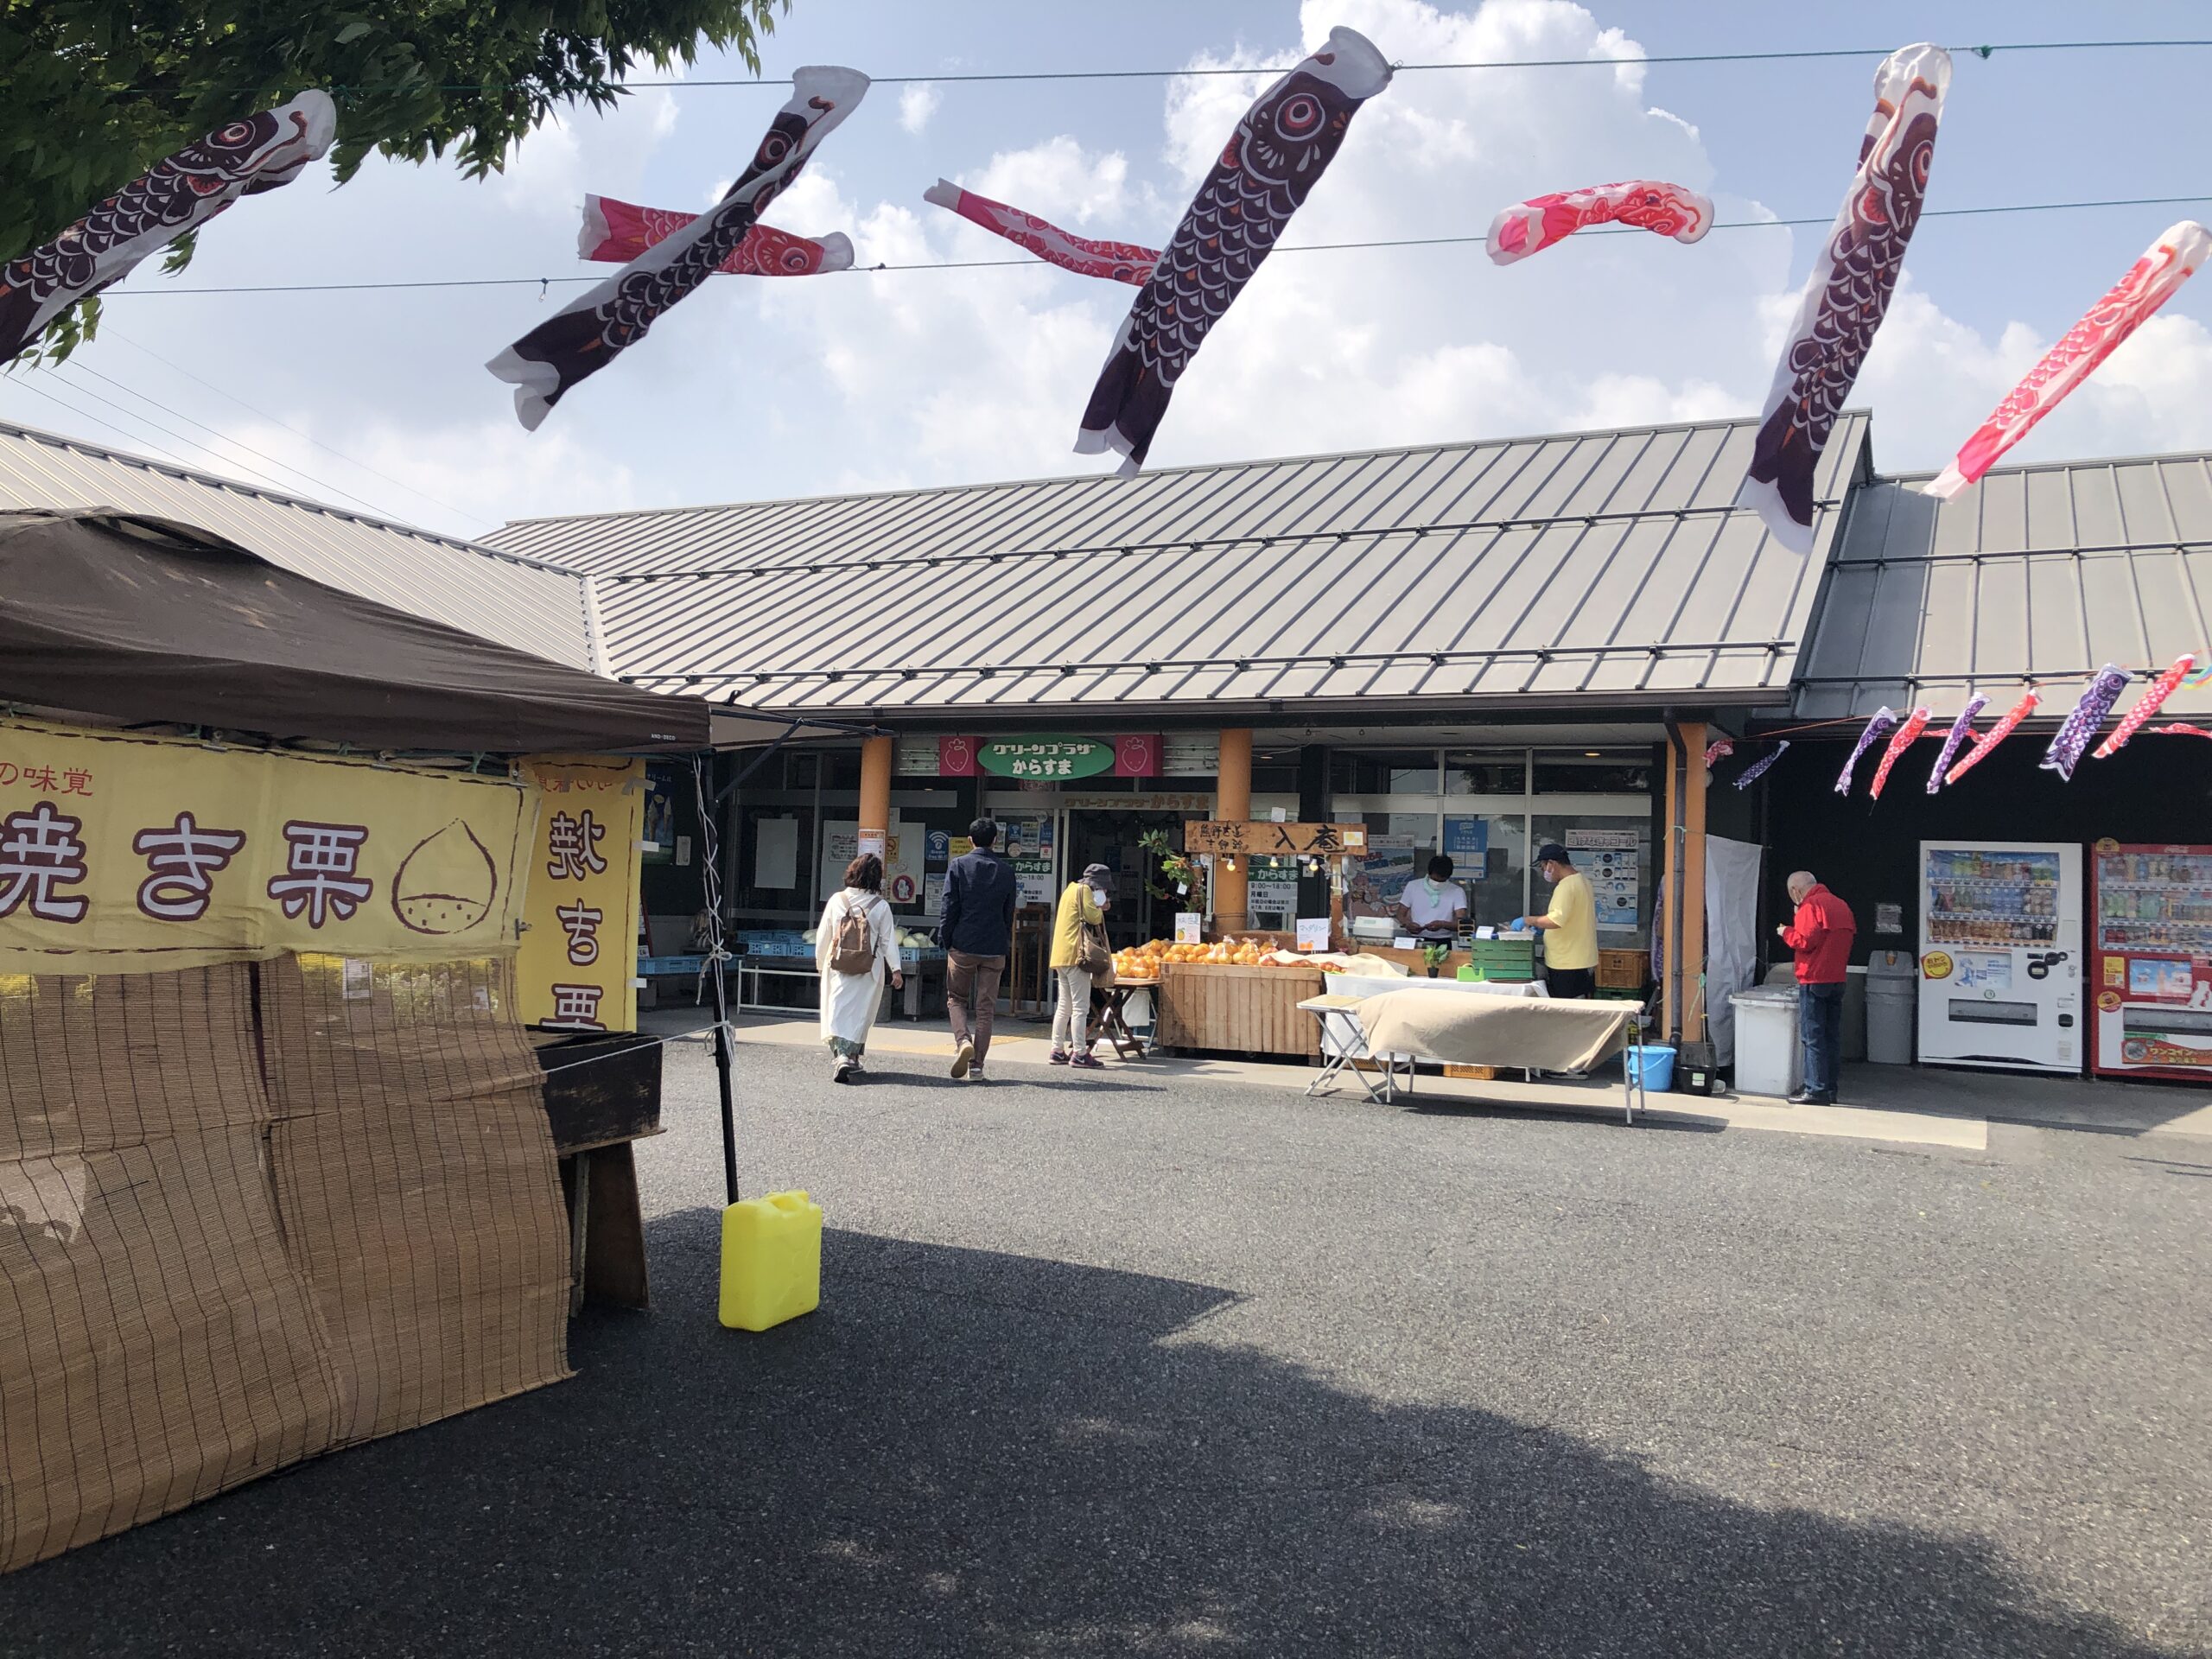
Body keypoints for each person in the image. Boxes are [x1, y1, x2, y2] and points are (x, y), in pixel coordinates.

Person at [938, 817, 1017, 1083]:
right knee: (986, 1008)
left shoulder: (959, 865)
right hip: (994, 947)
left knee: (957, 999)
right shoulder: (1006, 871)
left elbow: (949, 906)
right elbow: (1009, 912)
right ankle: (977, 1066)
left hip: (963, 943)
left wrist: (945, 938)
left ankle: (963, 1042)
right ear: (995, 840)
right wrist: (1004, 939)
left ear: (970, 840)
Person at [814, 852, 903, 1084]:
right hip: (868, 968)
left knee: (837, 1010)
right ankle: (851, 1057)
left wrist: (819, 962)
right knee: (861, 1013)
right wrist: (896, 969)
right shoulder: (880, 906)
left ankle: (841, 1055)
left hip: (837, 965)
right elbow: (887, 940)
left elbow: (824, 934)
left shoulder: (837, 900)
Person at [1777, 869, 1855, 1105]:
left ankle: (1815, 1089)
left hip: (1813, 978)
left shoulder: (1810, 907)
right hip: (1837, 978)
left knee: (1813, 1037)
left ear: (1795, 891)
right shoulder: (1841, 905)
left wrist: (1785, 931)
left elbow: (1804, 941)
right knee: (1831, 1036)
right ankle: (1830, 1089)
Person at [1515, 842, 1599, 999]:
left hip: (1566, 962)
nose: (1543, 872)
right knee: (1580, 1006)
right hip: (1581, 959)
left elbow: (1556, 920)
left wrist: (1529, 920)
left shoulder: (1566, 886)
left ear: (1552, 864)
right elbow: (1571, 918)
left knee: (1567, 1009)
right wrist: (1543, 927)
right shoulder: (1583, 881)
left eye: (1542, 867)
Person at [1050, 863, 1111, 1069]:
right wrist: (1101, 906)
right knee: (1080, 1007)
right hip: (1077, 956)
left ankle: (1057, 1050)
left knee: (1064, 1006)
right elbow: (1093, 917)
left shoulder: (1070, 889)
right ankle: (1080, 1053)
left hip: (1060, 955)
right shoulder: (1085, 890)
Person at [1395, 854, 1469, 941]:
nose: (1437, 883)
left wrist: (1442, 924)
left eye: (1442, 881)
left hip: (1442, 939)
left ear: (1448, 876)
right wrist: (1407, 924)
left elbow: (1461, 923)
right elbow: (1400, 913)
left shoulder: (1457, 891)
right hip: (1415, 938)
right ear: (1429, 873)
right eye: (1435, 879)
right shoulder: (1413, 886)